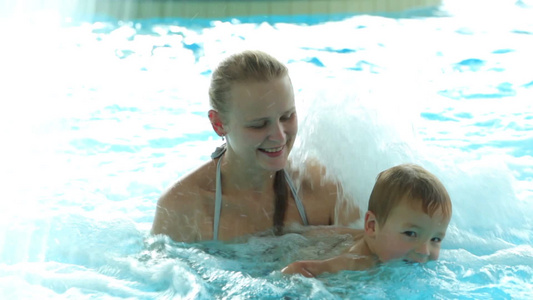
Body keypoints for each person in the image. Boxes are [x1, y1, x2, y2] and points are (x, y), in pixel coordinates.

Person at [151, 50, 359, 242]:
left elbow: (373, 256)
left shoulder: (322, 186)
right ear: (219, 124)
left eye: (287, 116)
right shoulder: (184, 207)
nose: (279, 137)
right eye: (258, 125)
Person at [281, 163, 452, 277]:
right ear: (372, 226)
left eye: (435, 239)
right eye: (411, 233)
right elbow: (296, 269)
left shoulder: (378, 239)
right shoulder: (357, 263)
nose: (425, 250)